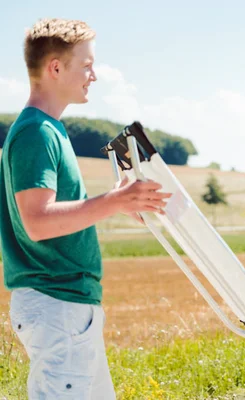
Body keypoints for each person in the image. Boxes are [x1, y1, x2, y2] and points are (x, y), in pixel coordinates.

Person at [0, 18, 170, 398]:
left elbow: (54, 211)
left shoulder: (49, 130)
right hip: (55, 303)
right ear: (56, 68)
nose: (94, 75)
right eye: (87, 65)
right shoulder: (36, 133)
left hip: (68, 306)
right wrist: (113, 201)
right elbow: (38, 222)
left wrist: (116, 202)